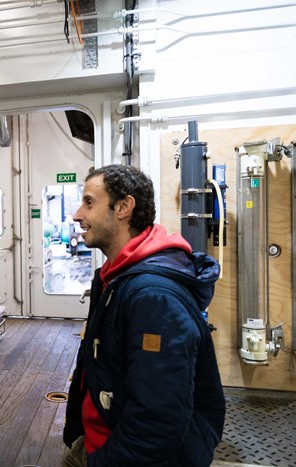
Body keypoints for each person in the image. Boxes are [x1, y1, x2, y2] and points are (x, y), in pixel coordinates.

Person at [62, 165, 225, 466]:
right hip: (99, 440)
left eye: (89, 203)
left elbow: (157, 421)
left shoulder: (153, 297)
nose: (77, 214)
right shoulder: (116, 277)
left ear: (123, 207)